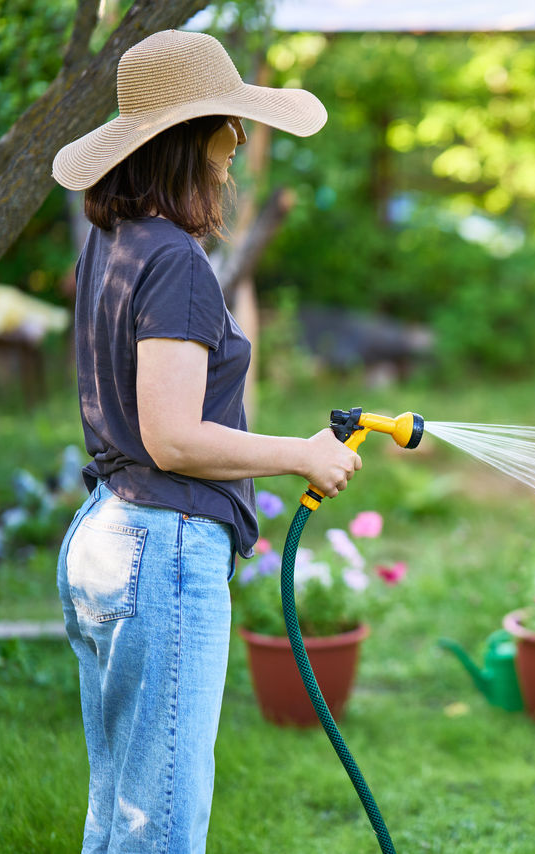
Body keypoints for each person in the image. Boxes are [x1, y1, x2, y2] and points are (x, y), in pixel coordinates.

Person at [52, 30, 359, 853]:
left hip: (106, 533)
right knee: (161, 827)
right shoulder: (178, 263)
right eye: (231, 128)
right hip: (162, 548)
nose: (238, 150)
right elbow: (174, 438)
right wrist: (300, 453)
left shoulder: (114, 247)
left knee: (119, 811)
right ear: (192, 139)